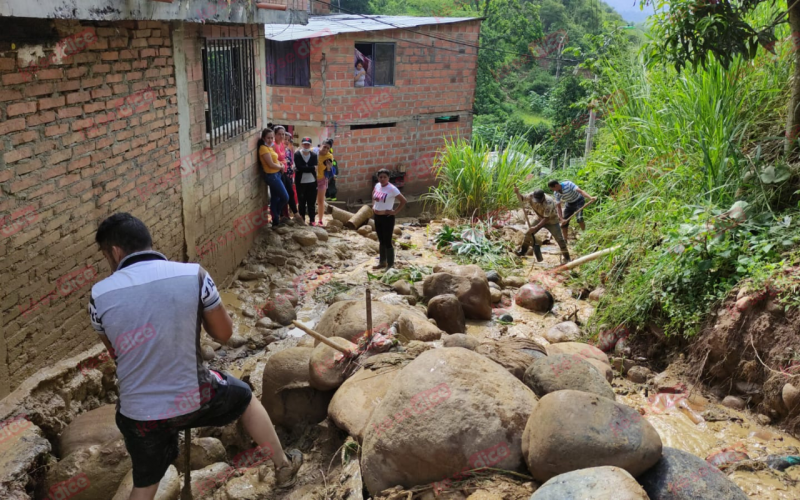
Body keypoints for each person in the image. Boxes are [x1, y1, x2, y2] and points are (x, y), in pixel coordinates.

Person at [88, 213, 302, 500]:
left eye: (105, 255)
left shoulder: (98, 294)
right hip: (194, 398)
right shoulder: (193, 274)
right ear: (149, 243)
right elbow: (224, 334)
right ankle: (283, 465)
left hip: (137, 414)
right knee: (244, 397)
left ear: (114, 251)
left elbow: (117, 352)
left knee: (145, 478)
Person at [514, 187, 570, 264]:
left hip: (551, 221)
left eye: (540, 200)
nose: (538, 202)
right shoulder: (531, 195)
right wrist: (518, 193)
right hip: (538, 218)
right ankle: (522, 251)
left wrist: (536, 228)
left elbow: (546, 218)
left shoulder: (549, 201)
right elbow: (522, 199)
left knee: (560, 239)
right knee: (528, 233)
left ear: (543, 196)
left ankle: (567, 258)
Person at [372, 169, 407, 269]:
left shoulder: (392, 189)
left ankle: (390, 264)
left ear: (388, 178)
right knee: (381, 240)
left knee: (387, 241)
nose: (382, 179)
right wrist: (373, 205)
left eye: (384, 177)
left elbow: (403, 201)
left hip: (387, 217)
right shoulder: (377, 185)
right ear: (378, 178)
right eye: (380, 177)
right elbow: (373, 193)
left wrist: (395, 212)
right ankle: (382, 262)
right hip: (377, 216)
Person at [258, 128, 288, 228]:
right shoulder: (263, 148)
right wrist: (281, 167)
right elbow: (270, 164)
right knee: (285, 197)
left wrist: (280, 164)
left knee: (275, 198)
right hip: (272, 176)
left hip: (277, 174)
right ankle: (276, 213)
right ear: (263, 138)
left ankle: (275, 221)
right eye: (268, 138)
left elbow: (275, 160)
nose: (270, 140)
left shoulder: (270, 147)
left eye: (271, 138)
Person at [273, 126, 303, 225]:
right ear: (275, 135)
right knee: (281, 196)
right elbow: (273, 159)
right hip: (277, 173)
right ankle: (278, 216)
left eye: (283, 134)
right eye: (279, 134)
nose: (281, 136)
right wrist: (281, 164)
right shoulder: (273, 145)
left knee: (290, 193)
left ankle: (295, 214)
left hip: (285, 172)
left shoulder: (282, 145)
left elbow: (285, 160)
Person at [294, 137, 319, 225]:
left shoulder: (314, 155)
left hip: (312, 181)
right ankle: (302, 219)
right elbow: (299, 167)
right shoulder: (297, 155)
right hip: (301, 182)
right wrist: (311, 168)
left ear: (310, 145)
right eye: (305, 144)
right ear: (302, 144)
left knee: (311, 202)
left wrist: (306, 168)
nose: (306, 146)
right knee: (302, 202)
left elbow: (313, 168)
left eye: (308, 144)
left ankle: (312, 220)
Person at [316, 139, 334, 226]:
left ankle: (320, 220)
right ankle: (311, 219)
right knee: (310, 199)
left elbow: (329, 172)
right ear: (321, 145)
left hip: (322, 179)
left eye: (328, 148)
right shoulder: (314, 151)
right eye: (324, 147)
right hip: (311, 179)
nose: (325, 149)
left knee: (320, 200)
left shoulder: (329, 156)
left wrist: (329, 168)